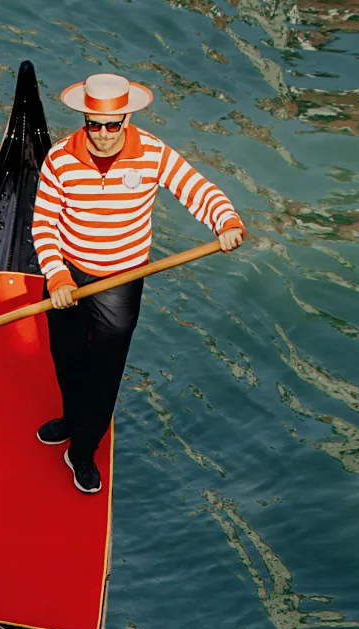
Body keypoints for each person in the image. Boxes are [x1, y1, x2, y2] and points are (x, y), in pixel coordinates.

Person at [32, 72, 245, 497]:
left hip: (122, 280)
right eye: (95, 124)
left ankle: (84, 449)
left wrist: (226, 220)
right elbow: (43, 224)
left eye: (114, 125)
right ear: (84, 119)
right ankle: (72, 419)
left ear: (127, 120)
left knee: (105, 372)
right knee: (67, 357)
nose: (105, 134)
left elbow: (197, 189)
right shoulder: (58, 159)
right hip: (68, 277)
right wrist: (56, 274)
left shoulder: (153, 153)